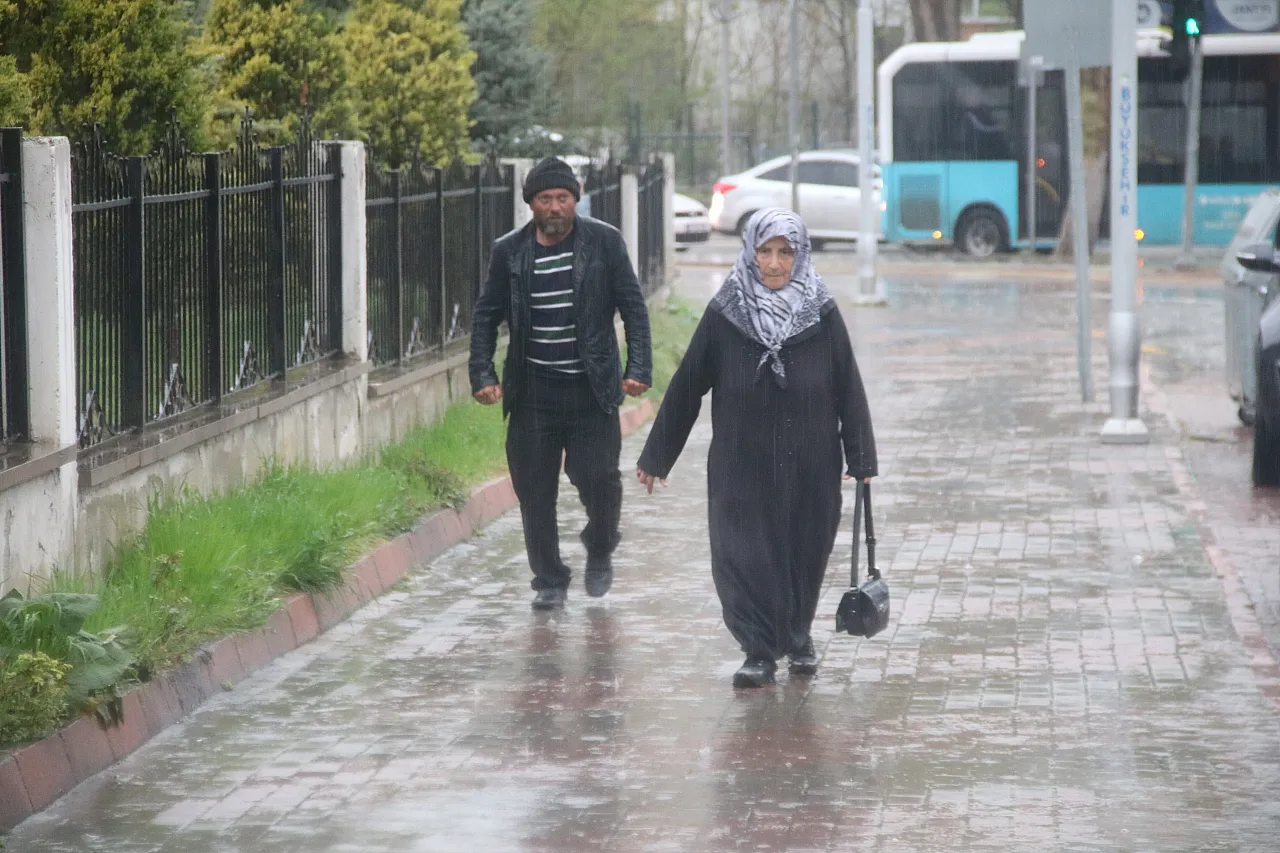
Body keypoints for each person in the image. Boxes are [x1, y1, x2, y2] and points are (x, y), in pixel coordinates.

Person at [635, 208, 877, 688]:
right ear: (749, 253)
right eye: (764, 251)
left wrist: (861, 456)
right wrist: (657, 456)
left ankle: (799, 634)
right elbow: (687, 385)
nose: (773, 263)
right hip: (740, 462)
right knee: (744, 554)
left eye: (784, 252)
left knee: (804, 551)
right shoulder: (727, 311)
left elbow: (848, 383)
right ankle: (759, 649)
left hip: (811, 459)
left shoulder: (821, 311)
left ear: (800, 255)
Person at [471, 156, 652, 611]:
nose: (555, 207)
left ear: (576, 199)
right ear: (531, 203)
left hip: (591, 390)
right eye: (545, 199)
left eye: (563, 198)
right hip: (532, 392)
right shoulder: (508, 252)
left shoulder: (605, 244)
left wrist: (639, 369)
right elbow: (486, 316)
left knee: (600, 481)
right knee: (534, 491)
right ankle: (549, 579)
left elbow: (633, 308)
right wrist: (482, 373)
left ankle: (600, 542)